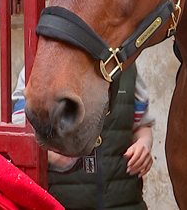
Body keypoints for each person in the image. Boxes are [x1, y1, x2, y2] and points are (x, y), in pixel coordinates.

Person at [12, 64, 155, 210]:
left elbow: (142, 124)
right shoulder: (41, 62)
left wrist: (144, 143)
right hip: (62, 201)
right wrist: (49, 155)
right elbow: (20, 132)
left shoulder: (126, 65)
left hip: (125, 201)